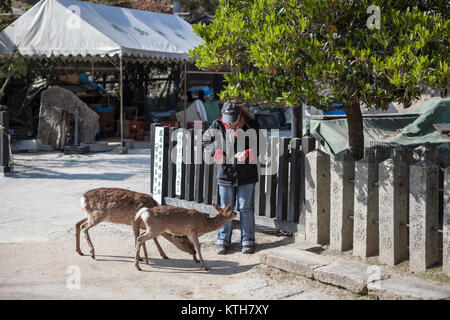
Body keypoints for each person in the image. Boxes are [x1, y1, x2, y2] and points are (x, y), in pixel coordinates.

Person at [202, 102, 259, 254]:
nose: (231, 123)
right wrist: (215, 152)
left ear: (241, 114)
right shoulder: (218, 124)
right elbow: (205, 140)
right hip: (225, 174)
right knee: (225, 207)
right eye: (228, 119)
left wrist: (247, 153)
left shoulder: (251, 124)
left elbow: (260, 146)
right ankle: (223, 240)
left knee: (245, 207)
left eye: (234, 119)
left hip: (247, 174)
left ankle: (248, 240)